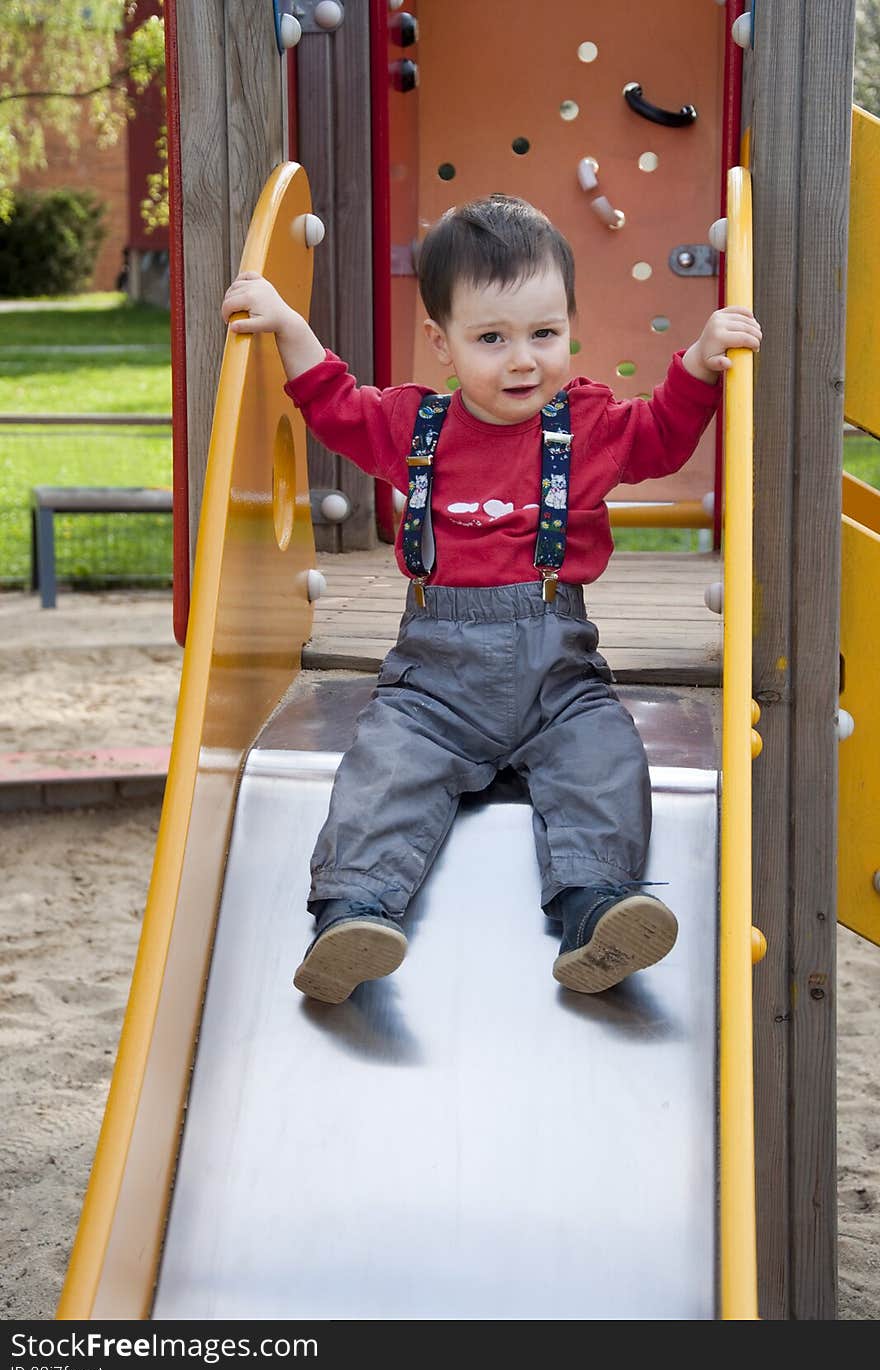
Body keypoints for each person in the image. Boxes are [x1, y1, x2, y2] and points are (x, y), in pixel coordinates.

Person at [221, 194, 762, 1005]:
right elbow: (335, 408)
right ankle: (353, 914)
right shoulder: (416, 427)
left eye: (544, 334)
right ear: (442, 342)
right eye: (491, 339)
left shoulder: (585, 422)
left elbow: (658, 439)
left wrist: (698, 366)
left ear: (569, 324)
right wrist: (290, 328)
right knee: (385, 767)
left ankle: (595, 909)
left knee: (605, 757)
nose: (523, 361)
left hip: (558, 680)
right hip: (434, 686)